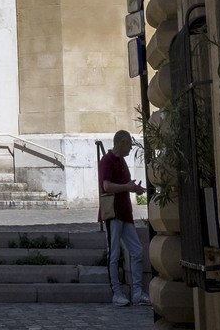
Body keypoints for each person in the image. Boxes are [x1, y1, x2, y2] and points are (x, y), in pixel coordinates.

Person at [99, 129, 146, 306]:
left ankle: (138, 293)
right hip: (113, 213)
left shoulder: (122, 161)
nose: (130, 148)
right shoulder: (107, 160)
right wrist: (128, 187)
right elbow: (107, 186)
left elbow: (124, 185)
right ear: (121, 143)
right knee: (114, 253)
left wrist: (133, 187)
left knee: (137, 251)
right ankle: (116, 293)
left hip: (125, 213)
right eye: (129, 145)